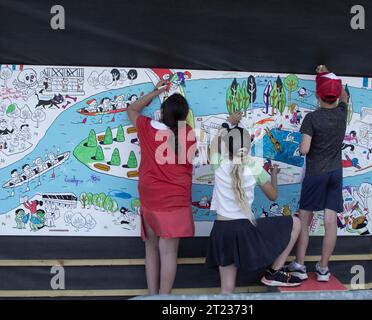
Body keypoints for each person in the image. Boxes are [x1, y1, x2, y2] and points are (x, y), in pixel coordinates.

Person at [205, 112, 302, 293]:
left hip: (221, 231)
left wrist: (228, 123)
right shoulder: (255, 167)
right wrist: (273, 175)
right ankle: (274, 272)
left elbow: (214, 143)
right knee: (296, 223)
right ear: (249, 146)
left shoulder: (218, 161)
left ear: (227, 145)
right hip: (244, 231)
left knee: (226, 289)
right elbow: (273, 196)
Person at [127, 80, 196, 295]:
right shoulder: (188, 133)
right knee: (168, 253)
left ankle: (151, 295)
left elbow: (131, 108)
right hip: (174, 199)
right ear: (184, 116)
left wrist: (157, 91)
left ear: (162, 111)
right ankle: (164, 298)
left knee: (151, 247)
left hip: (150, 197)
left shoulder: (147, 127)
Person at [284, 65, 349, 282]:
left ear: (318, 95)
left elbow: (304, 149)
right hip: (335, 174)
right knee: (330, 221)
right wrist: (327, 75)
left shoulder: (312, 118)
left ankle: (300, 265)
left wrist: (322, 78)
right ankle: (323, 268)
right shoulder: (342, 113)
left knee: (304, 219)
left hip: (315, 174)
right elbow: (344, 94)